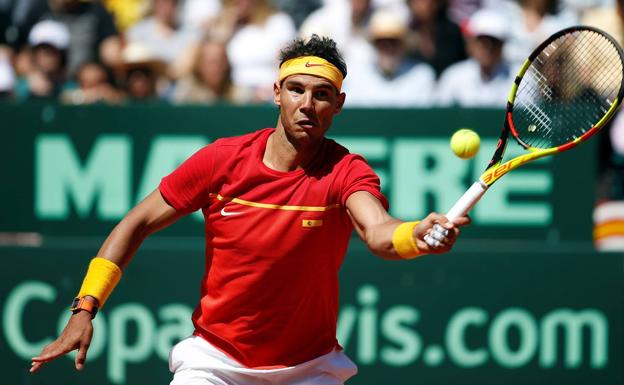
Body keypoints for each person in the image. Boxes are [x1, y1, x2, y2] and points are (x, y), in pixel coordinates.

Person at [29, 34, 469, 385]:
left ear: (339, 104)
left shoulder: (346, 170)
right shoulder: (221, 161)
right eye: (296, 90)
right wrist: (84, 308)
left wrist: (416, 236)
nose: (307, 105)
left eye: (322, 95)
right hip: (215, 363)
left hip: (309, 370)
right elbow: (136, 223)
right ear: (277, 92)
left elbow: (378, 232)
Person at [342, 8, 436, 107]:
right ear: (374, 45)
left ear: (403, 45)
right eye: (381, 42)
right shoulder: (357, 77)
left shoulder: (421, 76)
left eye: (393, 41)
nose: (388, 47)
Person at [435, 8, 513, 107]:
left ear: (502, 45)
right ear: (471, 43)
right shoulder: (453, 77)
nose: (488, 47)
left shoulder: (521, 80)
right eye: (482, 41)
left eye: (494, 41)